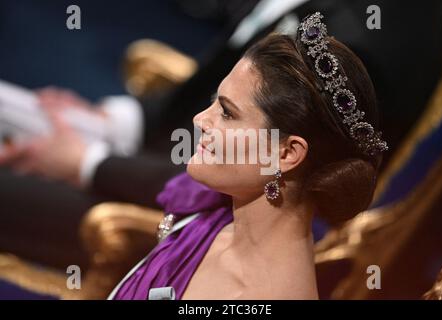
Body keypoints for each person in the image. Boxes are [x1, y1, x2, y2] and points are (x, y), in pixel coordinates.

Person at [109, 13, 388, 300]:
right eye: (214, 103)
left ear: (287, 153)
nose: (200, 119)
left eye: (227, 113)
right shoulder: (210, 216)